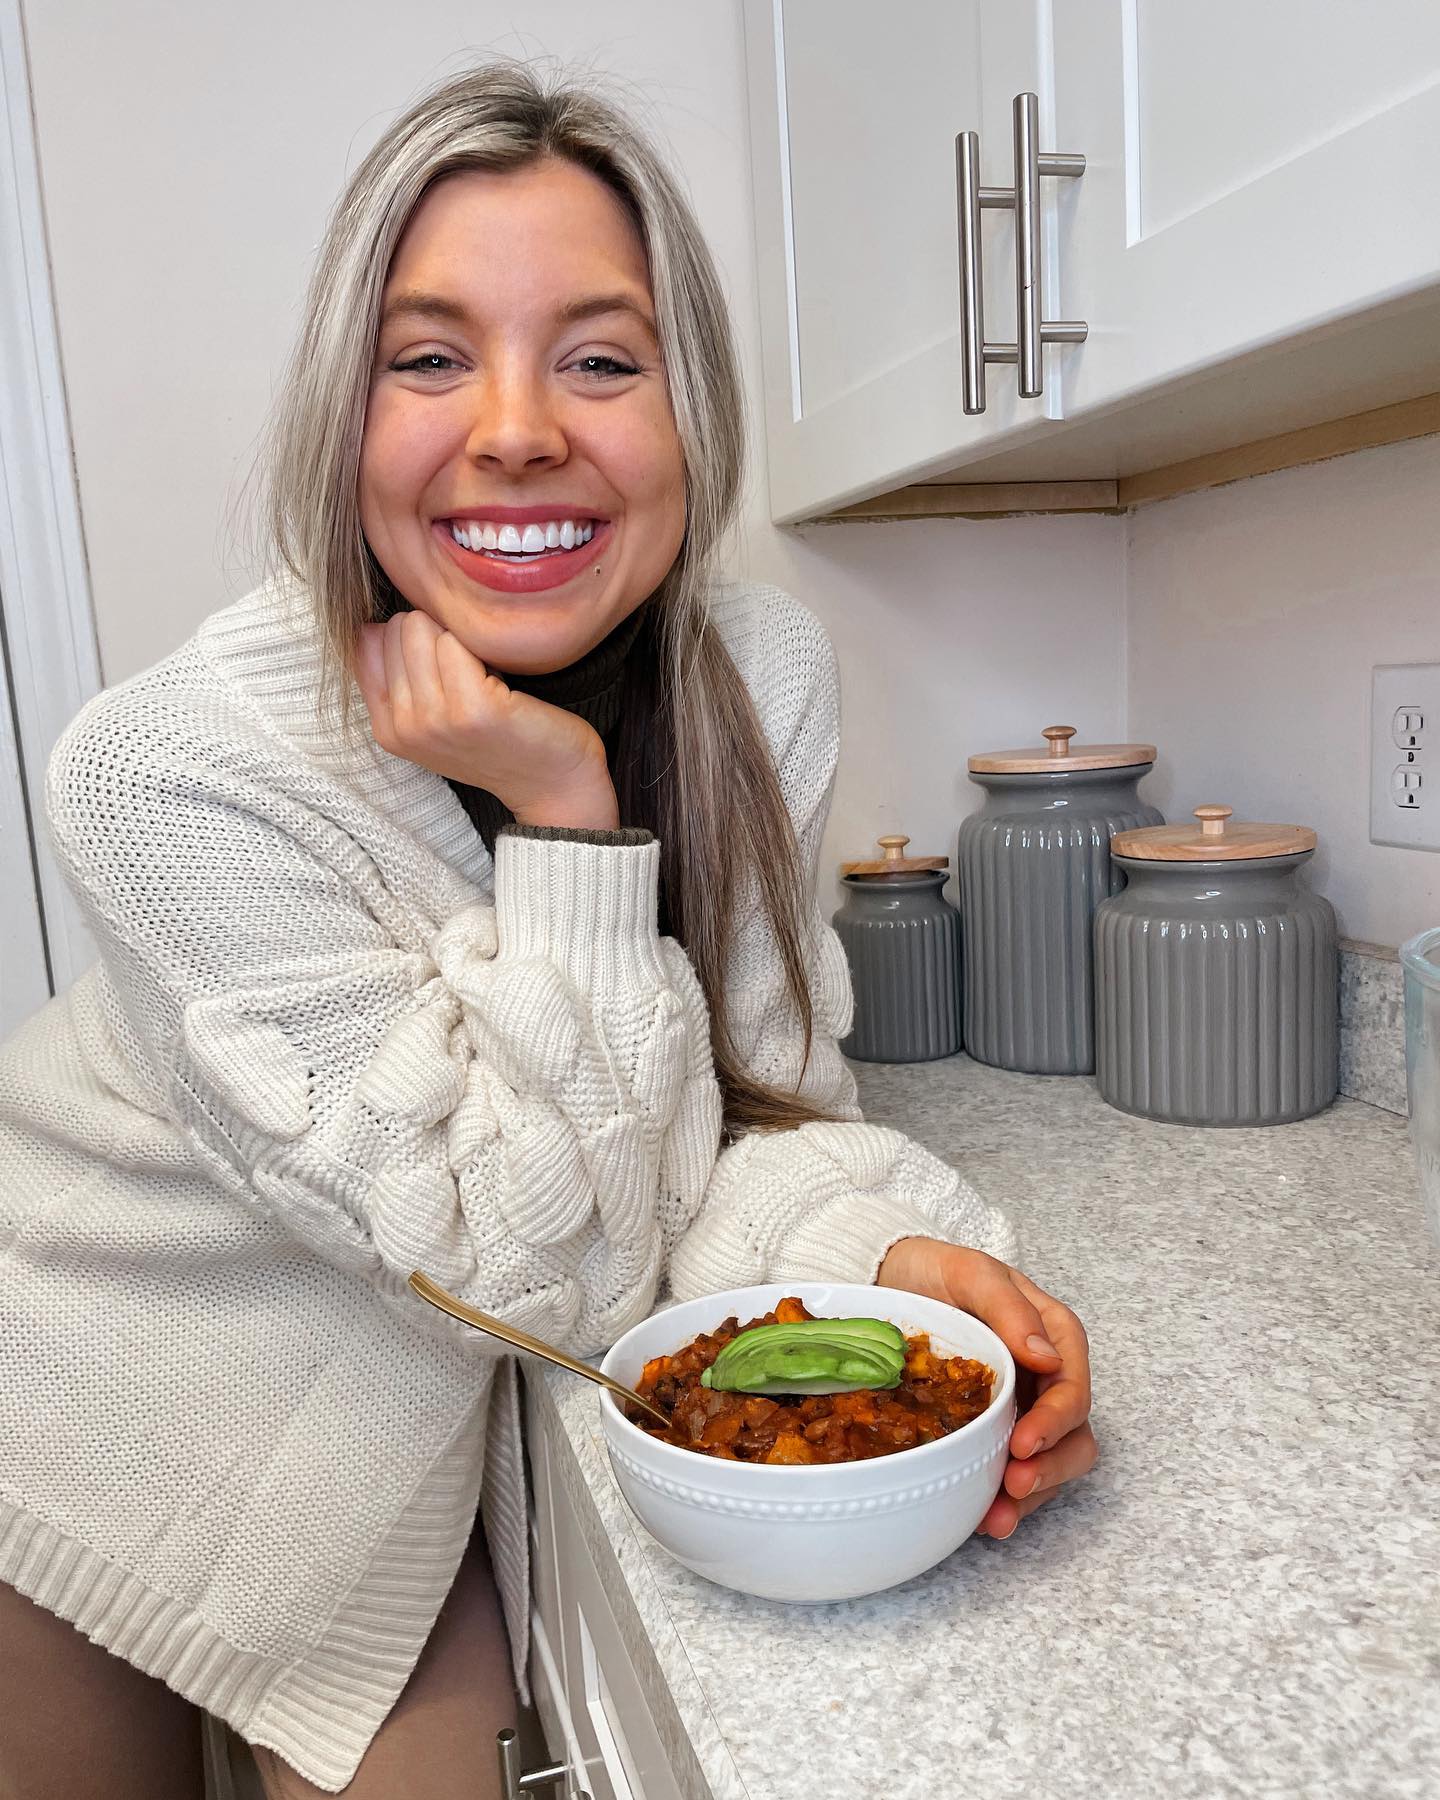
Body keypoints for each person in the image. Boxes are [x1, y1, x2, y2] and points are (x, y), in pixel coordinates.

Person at [0, 59, 1096, 1800]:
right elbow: (521, 1269)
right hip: (96, 1410)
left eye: (601, 357)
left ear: (691, 415)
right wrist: (570, 821)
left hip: (414, 1407)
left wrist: (887, 1255)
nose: (517, 427)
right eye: (429, 357)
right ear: (339, 418)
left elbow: (734, 1108)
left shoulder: (761, 675)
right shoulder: (167, 771)